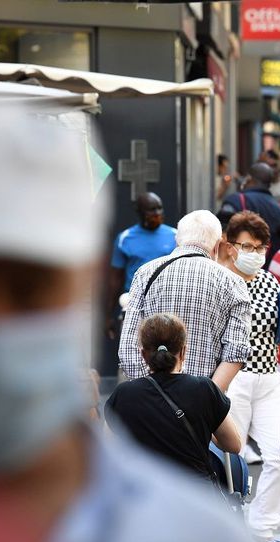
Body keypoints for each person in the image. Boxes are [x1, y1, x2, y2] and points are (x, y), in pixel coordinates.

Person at [0, 103, 280, 542]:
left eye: (26, 288)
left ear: (84, 280)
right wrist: (202, 395)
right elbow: (234, 349)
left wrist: (154, 389)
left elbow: (129, 351)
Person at [217, 212, 280, 540]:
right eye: (247, 246)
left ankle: (261, 529)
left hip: (268, 376)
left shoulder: (269, 282)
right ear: (231, 246)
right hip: (233, 377)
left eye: (259, 247)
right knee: (228, 457)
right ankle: (229, 526)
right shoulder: (219, 279)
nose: (254, 253)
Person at [119, 210, 252, 392]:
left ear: (177, 240)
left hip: (150, 401)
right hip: (201, 407)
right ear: (216, 245)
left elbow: (128, 348)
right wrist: (205, 399)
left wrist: (153, 393)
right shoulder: (233, 282)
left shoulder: (145, 273)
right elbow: (236, 352)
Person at [106, 313, 242, 478]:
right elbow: (234, 445)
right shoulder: (204, 388)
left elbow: (106, 450)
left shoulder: (124, 394)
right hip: (196, 495)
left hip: (143, 495)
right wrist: (207, 428)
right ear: (183, 351)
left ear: (143, 354)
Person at [106, 192, 177, 339]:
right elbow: (115, 279)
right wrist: (108, 315)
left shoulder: (175, 235)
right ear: (140, 212)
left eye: (159, 208)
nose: (157, 213)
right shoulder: (125, 238)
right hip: (134, 306)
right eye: (152, 209)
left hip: (166, 305)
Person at [219, 162, 280, 262]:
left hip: (235, 266)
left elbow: (221, 234)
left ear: (249, 179)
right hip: (267, 267)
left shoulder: (235, 200)